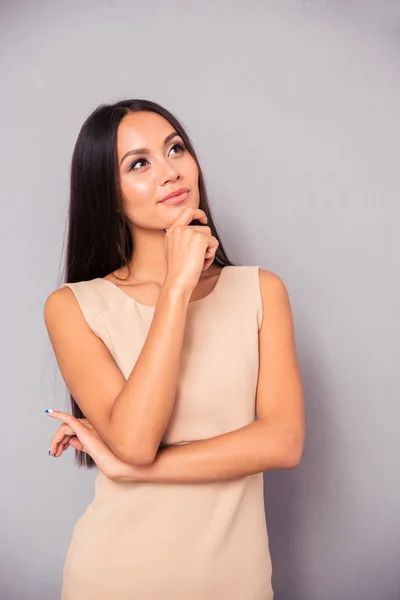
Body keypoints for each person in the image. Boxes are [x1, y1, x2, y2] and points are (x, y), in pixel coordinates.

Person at [43, 98, 305, 599]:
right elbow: (137, 439)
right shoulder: (74, 306)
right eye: (139, 163)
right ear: (108, 192)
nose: (169, 171)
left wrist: (129, 467)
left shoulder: (260, 291)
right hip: (117, 576)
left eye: (175, 149)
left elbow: (283, 442)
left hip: (239, 581)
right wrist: (177, 288)